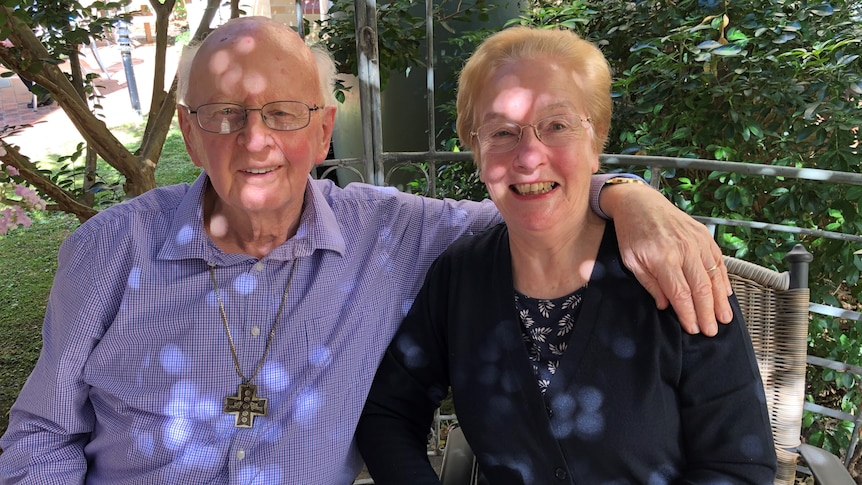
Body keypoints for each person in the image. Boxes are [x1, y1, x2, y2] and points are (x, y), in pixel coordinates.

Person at [0, 17, 732, 484]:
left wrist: (627, 194)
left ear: (323, 132)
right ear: (190, 132)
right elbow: (42, 436)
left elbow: (529, 192)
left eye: (283, 114)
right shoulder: (108, 250)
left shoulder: (390, 232)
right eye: (225, 114)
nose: (255, 141)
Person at [356, 26, 776, 483]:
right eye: (501, 132)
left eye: (556, 125)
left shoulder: (670, 268)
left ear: (595, 143)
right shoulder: (460, 277)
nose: (529, 156)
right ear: (476, 151)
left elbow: (739, 467)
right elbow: (389, 413)